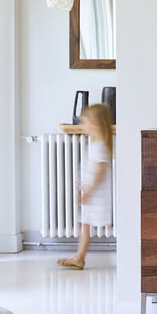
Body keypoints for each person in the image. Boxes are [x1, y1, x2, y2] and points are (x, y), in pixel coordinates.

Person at [58, 103, 113, 270]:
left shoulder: (100, 147)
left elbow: (99, 172)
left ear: (95, 124)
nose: (82, 126)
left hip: (95, 195)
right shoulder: (97, 144)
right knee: (86, 225)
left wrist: (88, 191)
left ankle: (80, 257)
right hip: (92, 194)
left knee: (96, 224)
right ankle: (79, 257)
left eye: (85, 122)